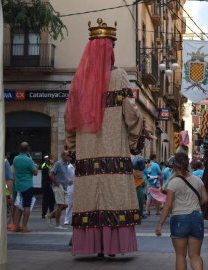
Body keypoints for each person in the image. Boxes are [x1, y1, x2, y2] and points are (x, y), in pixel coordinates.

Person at [64, 18, 146, 256]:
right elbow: (131, 112)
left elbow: (70, 118)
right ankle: (112, 247)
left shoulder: (78, 80)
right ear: (110, 49)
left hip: (88, 154)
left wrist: (73, 146)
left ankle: (94, 247)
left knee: (91, 197)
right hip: (114, 150)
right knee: (114, 197)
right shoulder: (119, 76)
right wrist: (135, 139)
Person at [155, 152, 208, 270]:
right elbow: (206, 198)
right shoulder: (197, 180)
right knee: (195, 255)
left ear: (174, 165)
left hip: (179, 219)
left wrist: (160, 224)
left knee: (180, 256)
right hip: (196, 217)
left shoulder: (173, 183)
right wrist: (196, 205)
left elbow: (168, 206)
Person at [13, 142, 38, 233]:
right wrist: (36, 167)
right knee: (26, 206)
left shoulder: (15, 159)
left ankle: (16, 227)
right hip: (27, 185)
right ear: (28, 150)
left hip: (18, 185)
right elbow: (35, 173)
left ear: (20, 149)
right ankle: (24, 227)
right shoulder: (28, 160)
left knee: (18, 205)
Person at [47, 150, 71, 229]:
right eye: (67, 155)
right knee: (60, 205)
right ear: (63, 156)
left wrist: (68, 181)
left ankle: (50, 215)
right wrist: (57, 184)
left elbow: (63, 175)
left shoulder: (66, 164)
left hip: (65, 187)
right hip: (59, 187)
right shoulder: (58, 163)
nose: (69, 156)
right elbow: (51, 174)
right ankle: (58, 225)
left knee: (65, 205)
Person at [64, 159, 75, 225]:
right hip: (70, 187)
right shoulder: (68, 167)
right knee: (69, 204)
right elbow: (64, 176)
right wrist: (68, 180)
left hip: (77, 187)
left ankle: (73, 219)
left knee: (75, 205)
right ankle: (66, 219)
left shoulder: (78, 167)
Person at [5, 158, 15, 231]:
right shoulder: (4, 161)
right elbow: (8, 180)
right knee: (6, 212)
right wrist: (10, 195)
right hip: (3, 193)